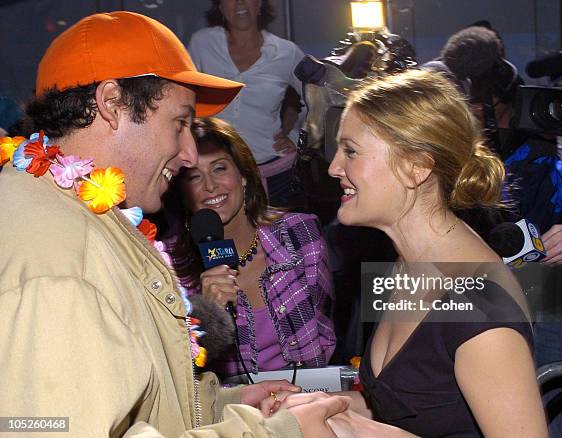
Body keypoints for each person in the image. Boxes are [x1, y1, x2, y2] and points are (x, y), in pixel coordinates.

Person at [0, 11, 352, 438]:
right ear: (112, 104)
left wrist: (223, 405)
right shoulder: (60, 260)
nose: (188, 155)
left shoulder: (82, 214)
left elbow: (138, 399)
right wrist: (277, 432)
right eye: (180, 123)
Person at [316, 69, 548, 436]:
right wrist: (329, 407)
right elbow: (413, 405)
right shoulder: (405, 266)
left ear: (417, 167)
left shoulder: (479, 306)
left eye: (351, 151)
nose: (334, 168)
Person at [163, 117, 336, 378]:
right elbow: (176, 370)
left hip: (306, 398)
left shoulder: (300, 234)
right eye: (194, 177)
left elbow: (323, 330)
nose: (210, 186)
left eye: (219, 169)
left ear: (243, 176)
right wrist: (208, 314)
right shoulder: (171, 268)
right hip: (229, 409)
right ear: (182, 192)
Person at [188, 0, 305, 207]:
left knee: (275, 238)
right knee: (218, 237)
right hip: (212, 172)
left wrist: (297, 136)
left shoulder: (286, 52)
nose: (240, 3)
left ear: (260, 4)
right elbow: (183, 96)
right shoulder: (202, 43)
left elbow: (317, 96)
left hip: (272, 170)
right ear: (220, 7)